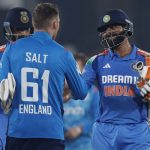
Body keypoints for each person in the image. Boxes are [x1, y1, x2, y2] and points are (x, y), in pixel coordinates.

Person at [0, 2, 87, 150]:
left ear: (33, 23)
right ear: (55, 24)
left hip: (19, 132)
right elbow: (81, 92)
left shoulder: (12, 49)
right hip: (51, 133)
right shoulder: (64, 54)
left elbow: (4, 92)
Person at [82, 9, 150, 150]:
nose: (108, 31)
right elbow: (80, 91)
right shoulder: (95, 61)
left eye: (113, 26)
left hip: (136, 131)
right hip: (104, 131)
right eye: (104, 29)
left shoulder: (147, 59)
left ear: (126, 28)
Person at [0, 7, 33, 150]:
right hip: (3, 120)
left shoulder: (39, 57)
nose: (22, 34)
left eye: (25, 29)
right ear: (8, 30)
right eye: (18, 29)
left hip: (30, 123)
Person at [63, 53, 99, 150]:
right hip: (62, 143)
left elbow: (97, 117)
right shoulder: (57, 90)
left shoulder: (94, 92)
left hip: (85, 144)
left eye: (78, 70)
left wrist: (81, 129)